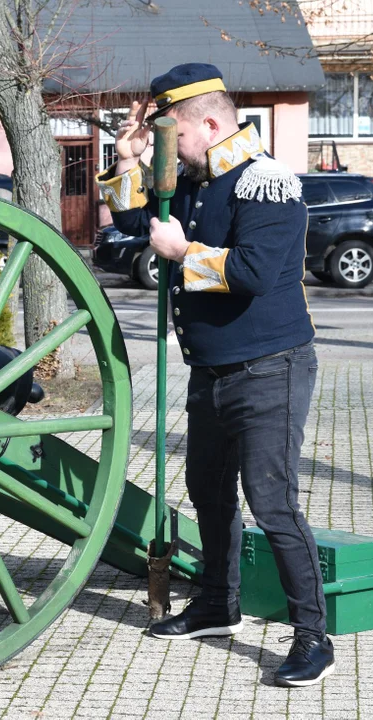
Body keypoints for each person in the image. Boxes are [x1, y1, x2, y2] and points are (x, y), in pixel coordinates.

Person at [96, 63, 333, 687]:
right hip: (211, 368)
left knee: (273, 502)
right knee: (207, 492)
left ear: (208, 122)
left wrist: (182, 255)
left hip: (270, 368)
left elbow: (252, 271)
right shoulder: (195, 177)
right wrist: (127, 162)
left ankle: (313, 634)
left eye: (170, 133)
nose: (165, 148)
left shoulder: (267, 180)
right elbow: (130, 222)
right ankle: (216, 605)